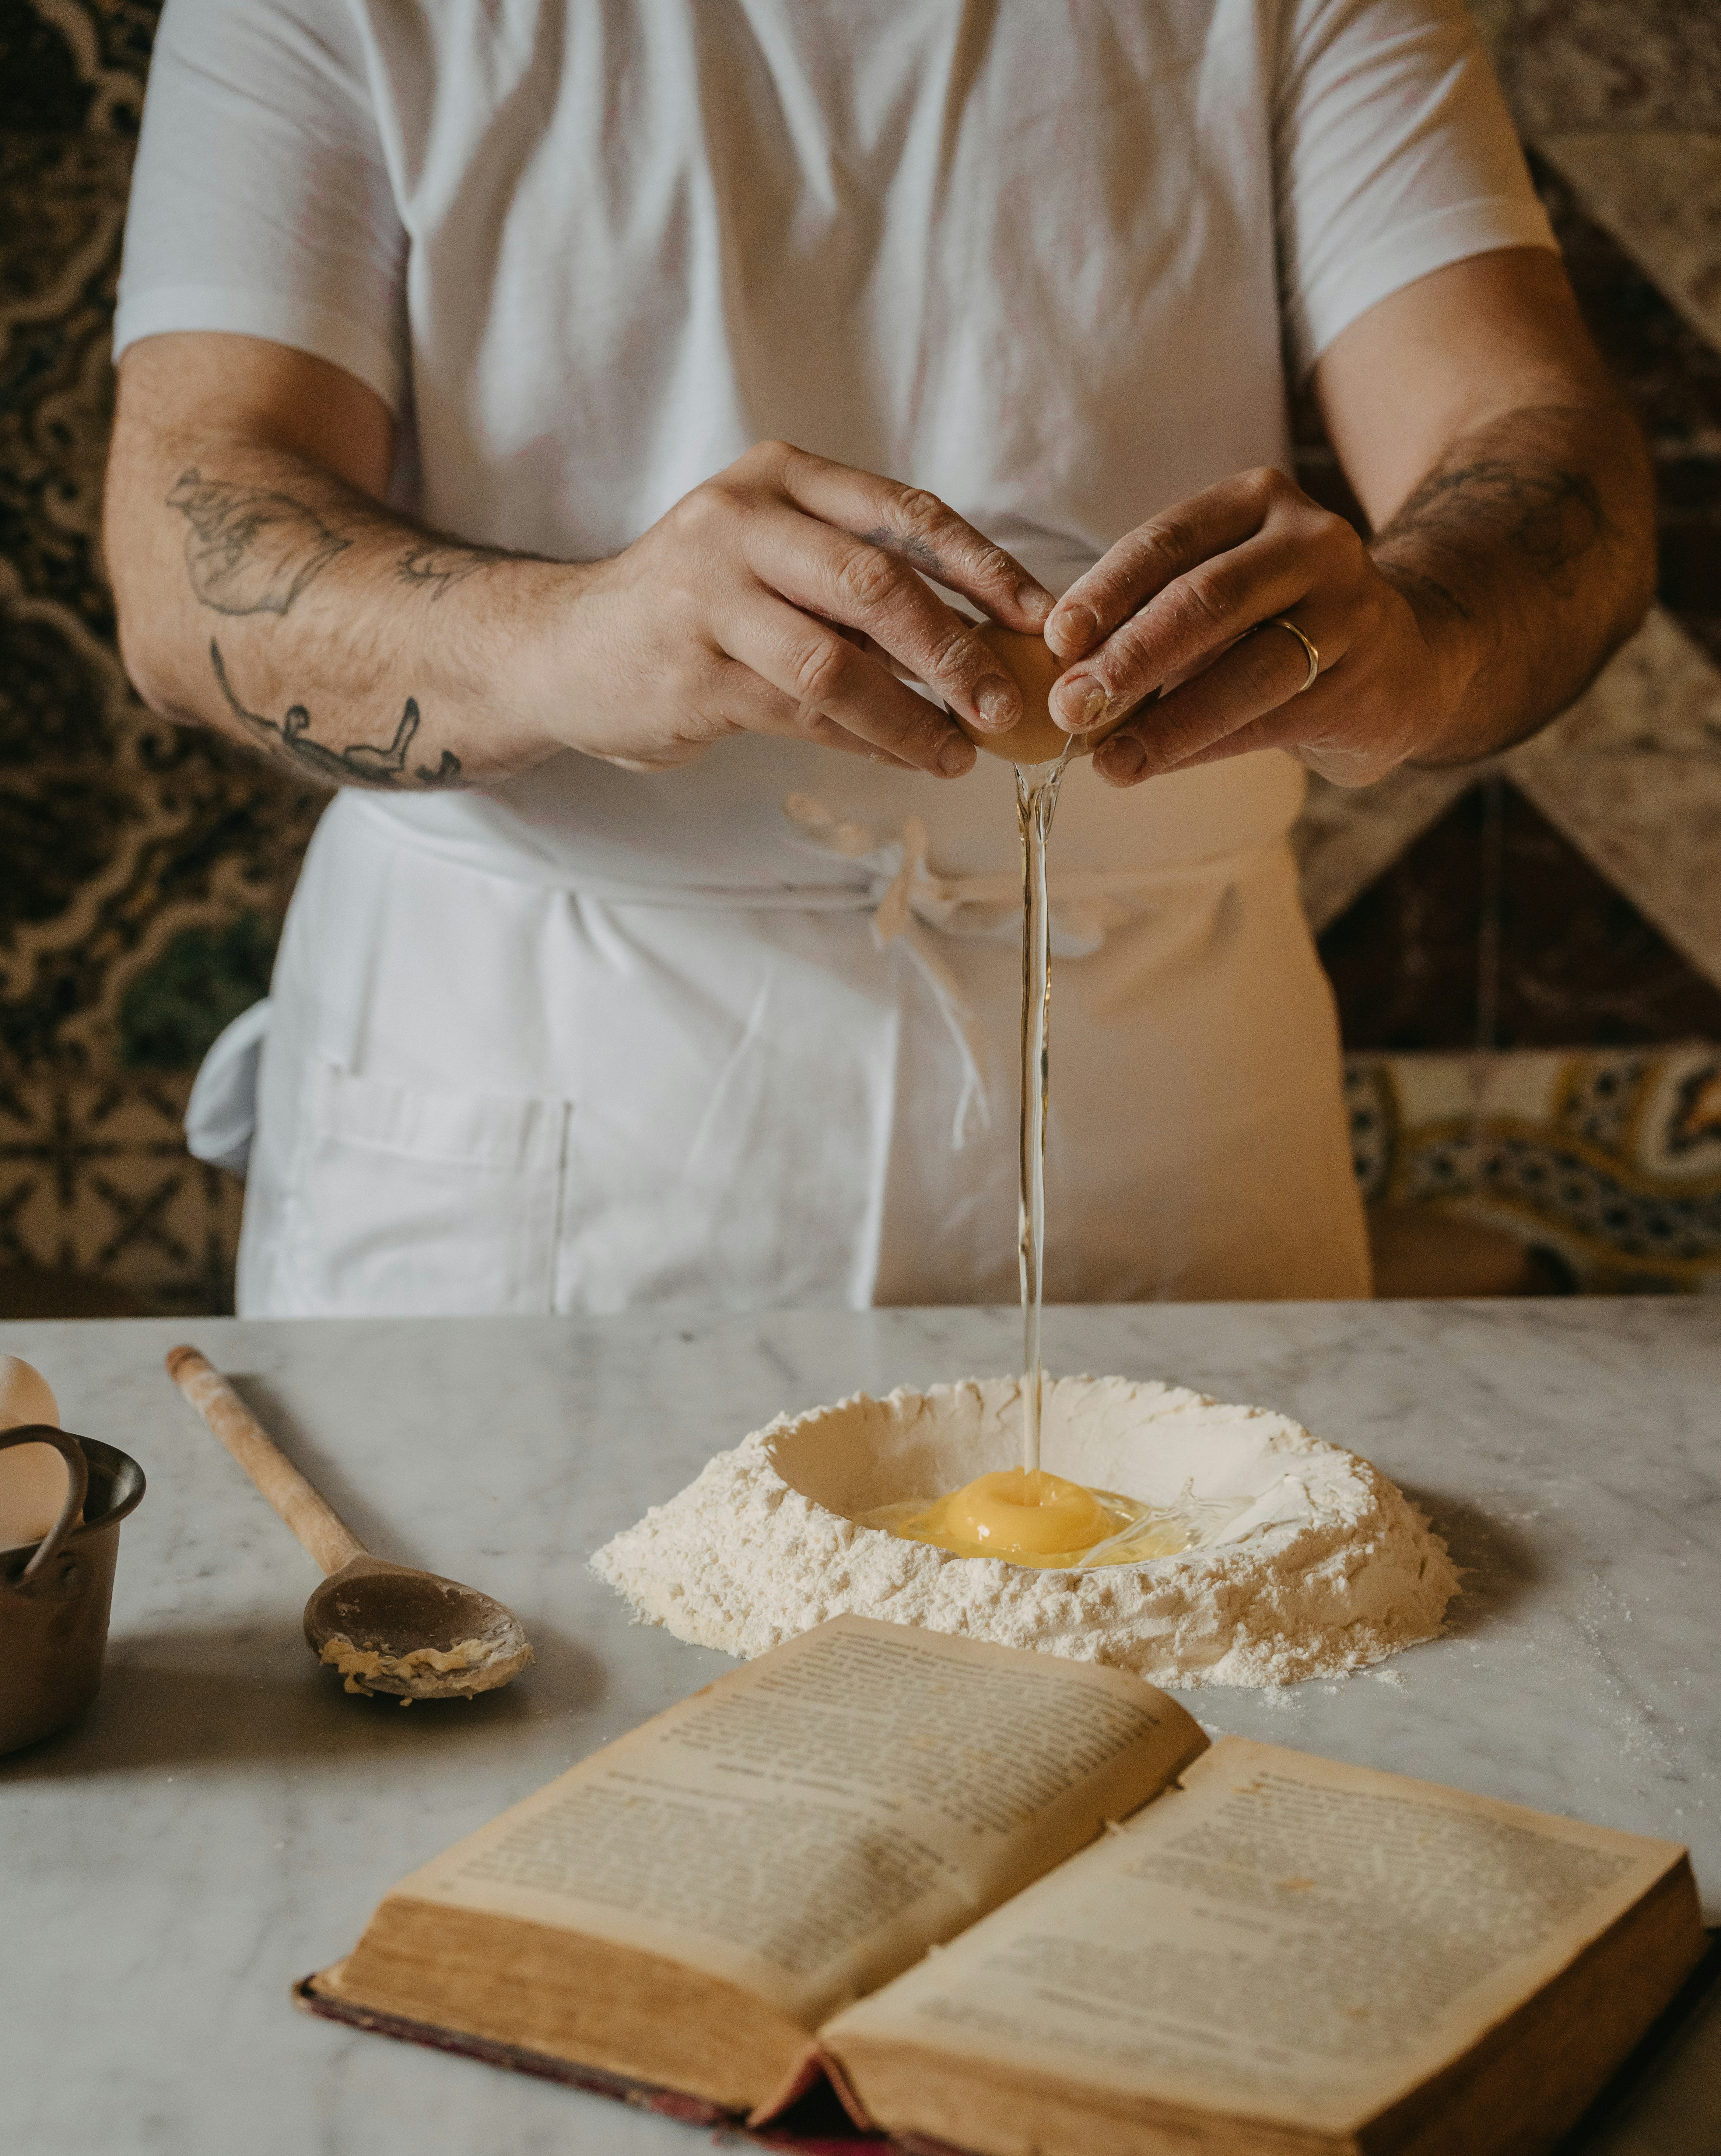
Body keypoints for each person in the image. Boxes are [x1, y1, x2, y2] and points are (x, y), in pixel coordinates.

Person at [104, 0, 1653, 1318]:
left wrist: (1423, 637)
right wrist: (575, 639)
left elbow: (1528, 436)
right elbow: (185, 555)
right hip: (542, 1110)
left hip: (1164, 1123)